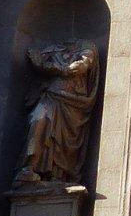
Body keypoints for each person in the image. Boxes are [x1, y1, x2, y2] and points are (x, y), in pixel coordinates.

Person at [12, 39, 100, 184]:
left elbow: (80, 66)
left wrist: (52, 67)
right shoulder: (52, 48)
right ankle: (29, 167)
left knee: (64, 139)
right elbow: (36, 59)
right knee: (38, 120)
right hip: (51, 95)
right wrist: (43, 64)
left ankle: (59, 175)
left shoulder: (87, 46)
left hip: (73, 103)